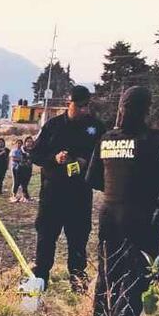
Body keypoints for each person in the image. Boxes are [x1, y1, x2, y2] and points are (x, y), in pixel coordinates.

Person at [87, 86, 159, 316]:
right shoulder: (154, 140)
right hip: (141, 215)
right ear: (146, 109)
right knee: (142, 269)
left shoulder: (108, 139)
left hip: (109, 213)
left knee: (109, 268)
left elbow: (93, 179)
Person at [30, 85, 106, 292]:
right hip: (52, 194)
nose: (84, 110)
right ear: (68, 104)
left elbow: (105, 158)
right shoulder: (53, 126)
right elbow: (35, 155)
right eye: (80, 106)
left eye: (87, 106)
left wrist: (86, 162)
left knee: (78, 240)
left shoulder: (96, 128)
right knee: (46, 238)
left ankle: (78, 284)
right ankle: (40, 282)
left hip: (79, 194)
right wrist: (54, 158)